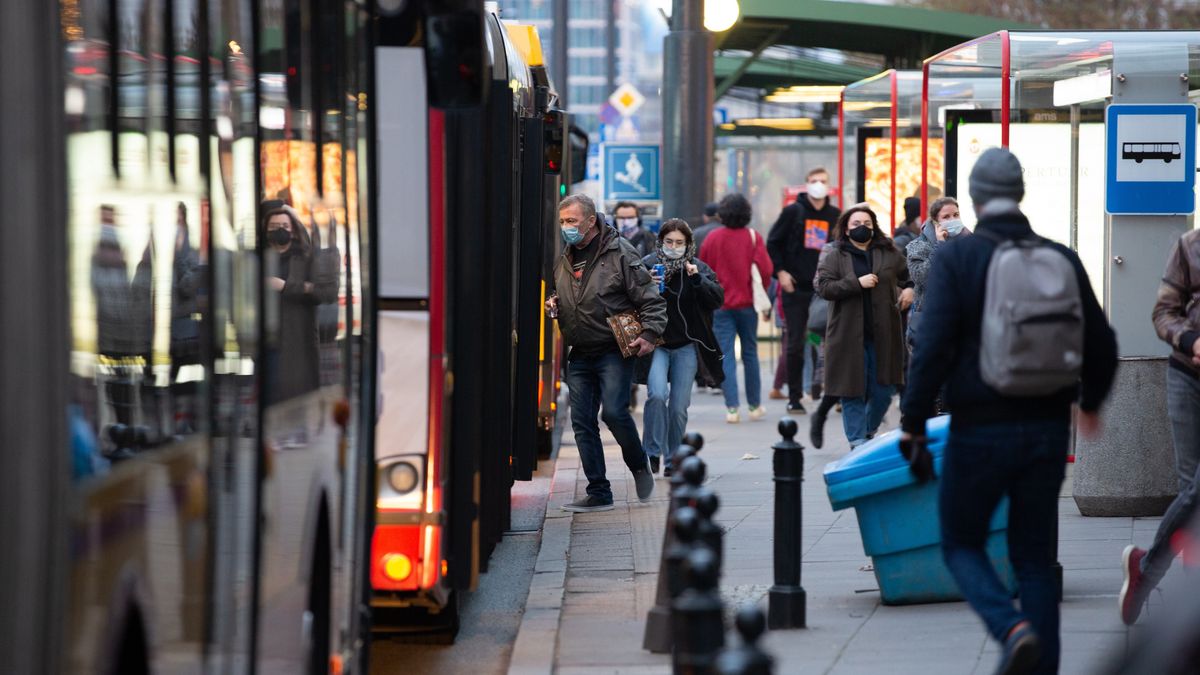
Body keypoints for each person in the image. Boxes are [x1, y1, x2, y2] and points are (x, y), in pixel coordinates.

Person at [901, 148, 1117, 675]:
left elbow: (932, 348)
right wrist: (1089, 403)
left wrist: (913, 423)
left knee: (961, 542)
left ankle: (1010, 627)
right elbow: (1102, 342)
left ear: (975, 201)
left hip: (979, 428)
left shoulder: (958, 260)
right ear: (1020, 193)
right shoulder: (1059, 257)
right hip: (1047, 430)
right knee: (1034, 558)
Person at [548, 194, 665, 512]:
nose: (566, 227)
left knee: (613, 412)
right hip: (580, 351)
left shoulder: (620, 252)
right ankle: (599, 491)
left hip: (613, 349)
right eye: (562, 221)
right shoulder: (566, 256)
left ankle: (639, 466)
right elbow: (565, 291)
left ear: (590, 221)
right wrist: (555, 302)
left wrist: (650, 333)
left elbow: (650, 298)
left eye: (572, 221)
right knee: (582, 421)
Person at [1121, 228, 1200, 625]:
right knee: (1192, 490)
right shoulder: (1190, 246)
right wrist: (1191, 341)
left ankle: (1148, 570)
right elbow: (1163, 312)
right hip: (1188, 377)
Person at [814, 205, 912, 448]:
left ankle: (867, 432)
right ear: (846, 230)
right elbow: (824, 287)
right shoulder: (835, 255)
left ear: (874, 227)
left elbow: (908, 274)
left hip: (883, 334)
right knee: (852, 390)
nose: (862, 228)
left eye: (867, 223)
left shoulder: (889, 253)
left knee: (884, 391)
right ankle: (857, 441)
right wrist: (856, 283)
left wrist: (909, 289)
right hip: (847, 335)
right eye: (856, 224)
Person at [637, 219, 724, 476]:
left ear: (688, 245)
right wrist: (647, 285)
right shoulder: (647, 265)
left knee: (678, 407)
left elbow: (717, 299)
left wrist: (697, 279)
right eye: (669, 242)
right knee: (656, 395)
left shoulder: (697, 267)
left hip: (686, 345)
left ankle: (673, 459)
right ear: (660, 242)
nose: (673, 247)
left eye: (679, 243)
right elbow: (627, 297)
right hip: (656, 343)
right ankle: (652, 452)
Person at [767, 167, 841, 415]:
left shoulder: (835, 215)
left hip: (826, 288)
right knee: (796, 343)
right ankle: (795, 396)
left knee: (834, 342)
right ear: (807, 184)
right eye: (814, 180)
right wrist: (780, 272)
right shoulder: (793, 212)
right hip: (796, 287)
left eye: (822, 181)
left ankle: (837, 394)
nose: (818, 184)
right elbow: (773, 243)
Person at [699, 193, 773, 423]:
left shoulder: (713, 238)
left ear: (722, 213)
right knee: (750, 353)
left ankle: (732, 408)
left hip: (720, 305)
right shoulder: (753, 237)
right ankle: (754, 405)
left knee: (727, 355)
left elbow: (703, 269)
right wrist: (761, 292)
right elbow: (766, 270)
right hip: (748, 304)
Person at [264, 206, 320, 407]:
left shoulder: (304, 257)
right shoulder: (261, 258)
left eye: (284, 226)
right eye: (273, 227)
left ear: (293, 230)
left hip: (297, 339)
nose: (279, 230)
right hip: (268, 339)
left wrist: (284, 286)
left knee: (295, 400)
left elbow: (320, 291)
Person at [906, 196, 966, 348]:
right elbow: (922, 278)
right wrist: (940, 245)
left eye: (956, 215)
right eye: (946, 217)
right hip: (932, 321)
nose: (953, 220)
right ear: (935, 221)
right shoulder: (918, 246)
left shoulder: (968, 242)